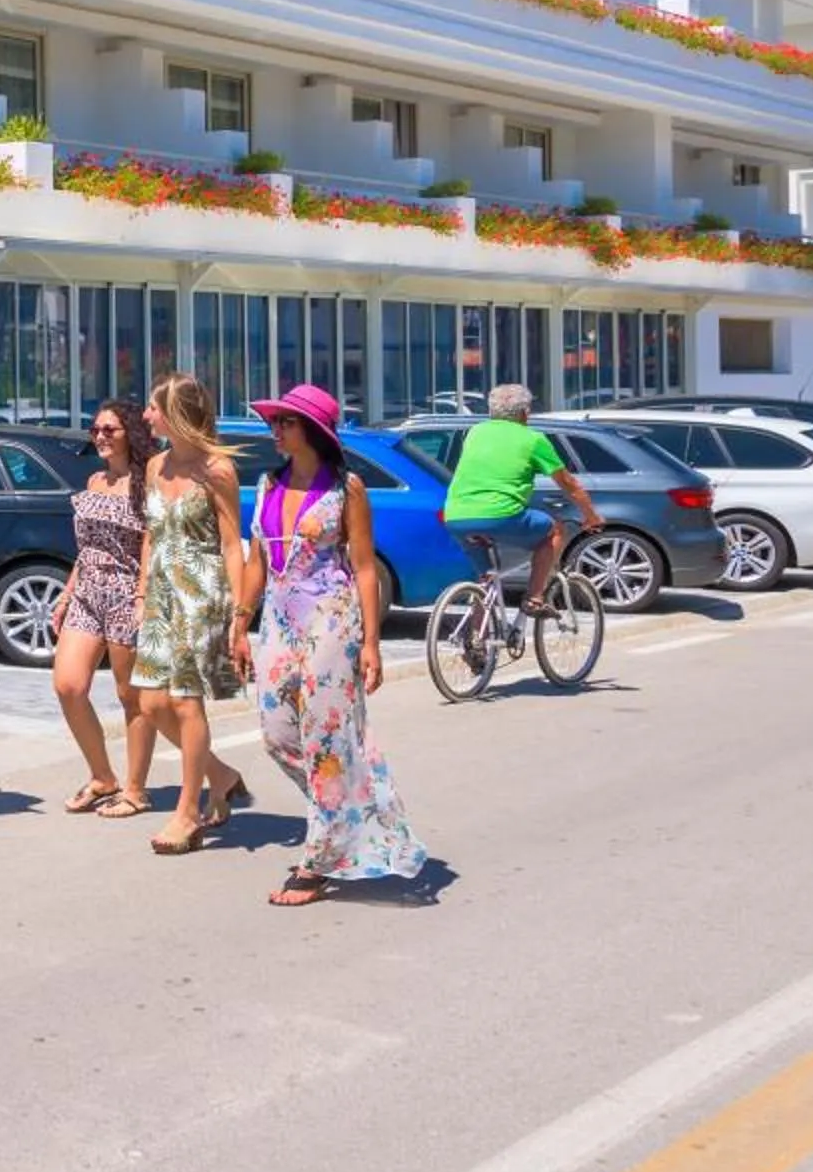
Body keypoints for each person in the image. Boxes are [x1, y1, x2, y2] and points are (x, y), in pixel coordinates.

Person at [248, 383, 429, 907]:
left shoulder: (345, 488)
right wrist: (239, 621)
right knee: (276, 732)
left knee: (326, 737)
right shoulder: (267, 484)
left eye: (286, 422)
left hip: (332, 617)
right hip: (279, 620)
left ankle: (319, 860)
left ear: (313, 432)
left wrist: (372, 642)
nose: (275, 429)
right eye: (275, 421)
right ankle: (352, 812)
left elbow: (366, 567)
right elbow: (258, 562)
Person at [134, 372, 259, 855]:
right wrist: (143, 591)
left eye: (153, 407)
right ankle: (221, 775)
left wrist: (238, 613)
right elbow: (151, 534)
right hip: (161, 593)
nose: (146, 416)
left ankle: (189, 813)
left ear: (175, 414)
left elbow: (233, 545)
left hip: (201, 593)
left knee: (186, 702)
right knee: (149, 702)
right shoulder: (155, 467)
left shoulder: (219, 469)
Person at [53, 396, 159, 820]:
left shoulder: (146, 482)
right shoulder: (95, 481)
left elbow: (152, 541)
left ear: (130, 433)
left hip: (125, 592)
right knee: (68, 685)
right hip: (88, 591)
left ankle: (135, 789)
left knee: (130, 696)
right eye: (95, 430)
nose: (99, 436)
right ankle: (103, 777)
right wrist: (66, 593)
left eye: (109, 430)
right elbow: (87, 548)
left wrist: (141, 595)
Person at [442, 383, 602, 611]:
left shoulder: (474, 433)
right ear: (525, 413)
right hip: (501, 515)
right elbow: (569, 483)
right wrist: (591, 516)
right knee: (555, 530)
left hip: (456, 516)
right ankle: (534, 597)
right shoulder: (533, 439)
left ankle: (476, 639)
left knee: (487, 581)